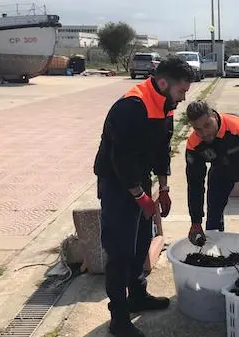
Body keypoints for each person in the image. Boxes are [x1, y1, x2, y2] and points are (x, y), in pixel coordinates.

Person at [92, 56, 194, 337]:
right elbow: (119, 159)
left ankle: (138, 295)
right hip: (116, 183)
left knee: (140, 242)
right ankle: (119, 317)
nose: (183, 98)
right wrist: (139, 196)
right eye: (181, 91)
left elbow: (163, 151)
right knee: (120, 251)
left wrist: (163, 189)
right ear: (163, 83)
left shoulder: (166, 105)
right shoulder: (131, 106)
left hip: (140, 179)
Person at [185, 100, 239, 246]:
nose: (204, 133)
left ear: (214, 116)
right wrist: (195, 221)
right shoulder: (194, 143)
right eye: (198, 129)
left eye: (207, 125)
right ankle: (216, 254)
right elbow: (194, 183)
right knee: (213, 220)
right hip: (220, 170)